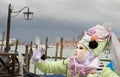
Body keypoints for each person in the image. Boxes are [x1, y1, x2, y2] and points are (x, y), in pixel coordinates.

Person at [31, 24, 120, 77]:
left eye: (81, 48)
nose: (76, 50)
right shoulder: (69, 64)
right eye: (77, 47)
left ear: (90, 52)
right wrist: (37, 60)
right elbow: (49, 67)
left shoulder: (102, 71)